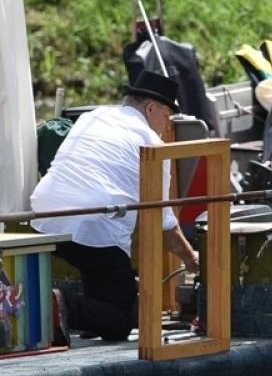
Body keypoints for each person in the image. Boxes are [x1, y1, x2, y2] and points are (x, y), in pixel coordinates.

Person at [30, 71, 201, 343]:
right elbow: (163, 223)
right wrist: (192, 259)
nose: (165, 126)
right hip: (94, 225)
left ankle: (71, 313)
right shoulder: (152, 144)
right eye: (167, 117)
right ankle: (62, 303)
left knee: (104, 277)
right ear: (151, 108)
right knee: (120, 319)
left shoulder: (92, 117)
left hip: (45, 214)